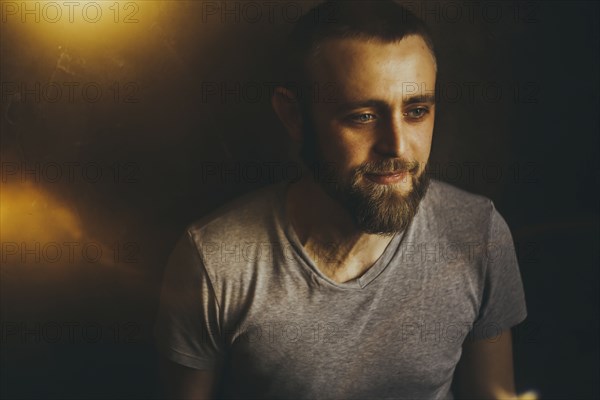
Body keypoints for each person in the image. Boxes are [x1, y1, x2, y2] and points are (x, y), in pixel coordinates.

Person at [154, 1, 530, 399]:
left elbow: (493, 393)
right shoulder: (215, 260)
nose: (397, 146)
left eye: (417, 111)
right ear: (293, 116)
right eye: (363, 116)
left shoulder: (478, 233)